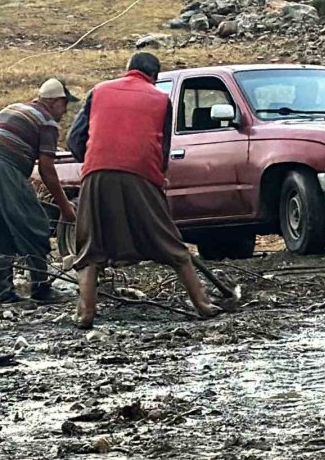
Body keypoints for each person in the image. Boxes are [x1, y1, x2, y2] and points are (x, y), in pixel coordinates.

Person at [68, 52, 217, 329]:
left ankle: (85, 313)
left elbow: (75, 138)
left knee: (90, 246)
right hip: (141, 174)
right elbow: (163, 149)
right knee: (170, 243)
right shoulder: (161, 99)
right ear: (155, 77)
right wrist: (159, 176)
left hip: (97, 174)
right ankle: (203, 304)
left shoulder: (98, 91)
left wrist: (94, 160)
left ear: (128, 69)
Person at [0, 78, 79, 306]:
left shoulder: (13, 108)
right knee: (34, 225)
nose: (65, 111)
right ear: (56, 101)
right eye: (64, 104)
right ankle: (41, 288)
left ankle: (5, 294)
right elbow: (47, 168)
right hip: (3, 168)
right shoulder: (46, 121)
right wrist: (65, 207)